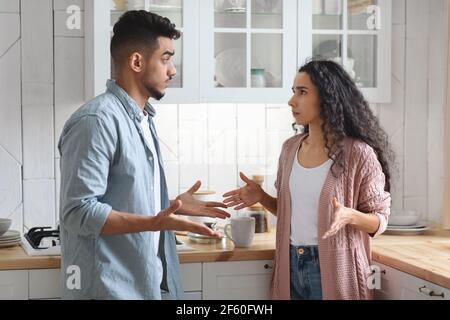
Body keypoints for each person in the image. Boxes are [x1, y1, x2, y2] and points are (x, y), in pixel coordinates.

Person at [58, 10, 229, 299]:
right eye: (166, 58)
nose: (173, 70)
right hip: (108, 291)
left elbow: (125, 196)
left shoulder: (142, 118)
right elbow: (78, 212)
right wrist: (154, 221)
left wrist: (168, 203)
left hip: (143, 286)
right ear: (137, 61)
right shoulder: (96, 121)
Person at [223, 59, 393, 300]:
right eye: (293, 92)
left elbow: (381, 220)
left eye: (302, 92)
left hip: (333, 268)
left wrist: (349, 216)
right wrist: (261, 197)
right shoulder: (290, 149)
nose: (292, 101)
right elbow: (289, 212)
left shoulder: (358, 153)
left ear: (327, 98)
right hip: (291, 263)